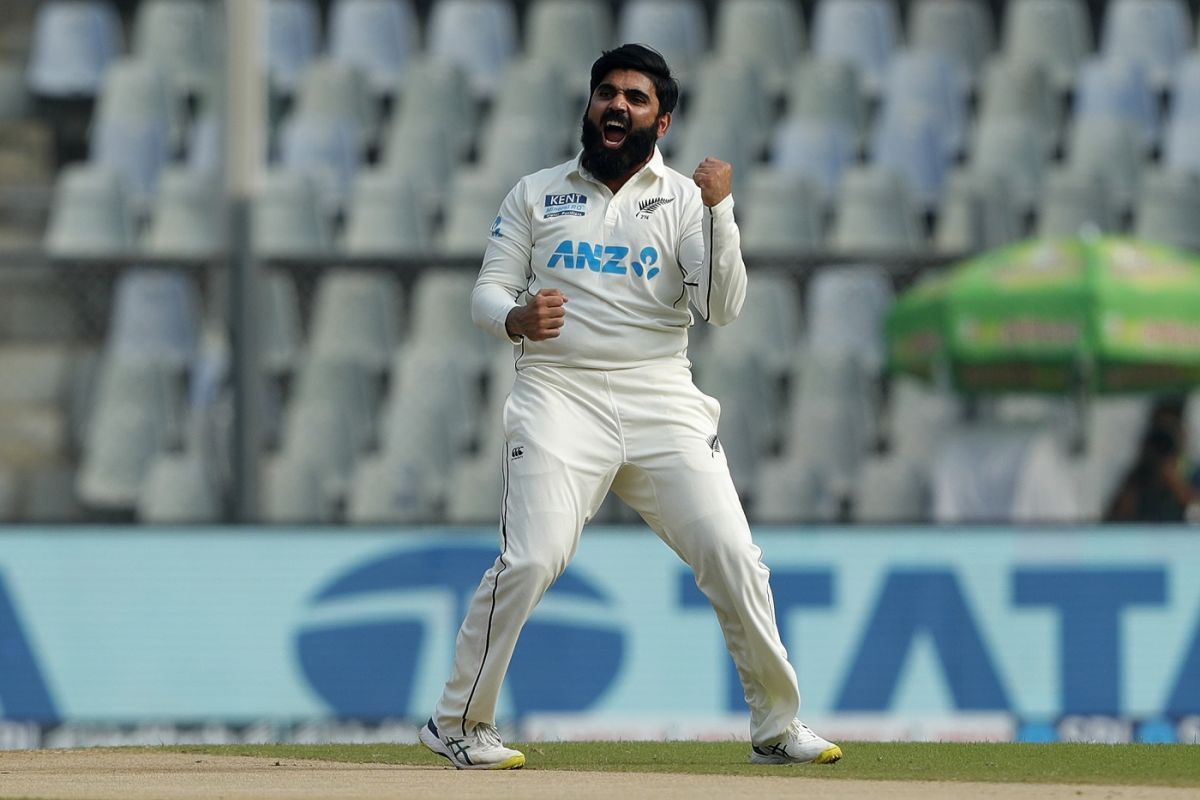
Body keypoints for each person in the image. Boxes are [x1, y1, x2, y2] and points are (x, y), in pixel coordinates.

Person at [418, 44, 841, 770]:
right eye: (606, 93)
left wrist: (720, 211)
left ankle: (776, 724)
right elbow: (488, 289)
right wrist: (517, 318)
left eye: (636, 98)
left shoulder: (684, 199)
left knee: (735, 555)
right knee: (532, 559)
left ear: (662, 120)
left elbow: (720, 307)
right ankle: (458, 722)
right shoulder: (535, 192)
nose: (617, 105)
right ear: (589, 106)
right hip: (559, 393)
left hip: (660, 393)